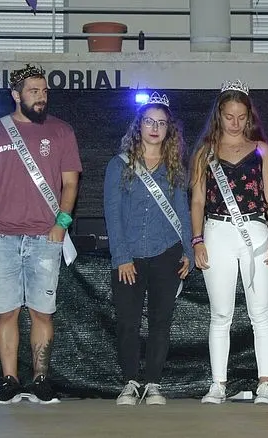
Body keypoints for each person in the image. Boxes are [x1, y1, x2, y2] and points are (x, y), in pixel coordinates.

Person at [0, 64, 82, 405]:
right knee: (6, 312)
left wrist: (60, 225)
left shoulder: (62, 131)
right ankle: (8, 379)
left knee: (41, 312)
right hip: (0, 236)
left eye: (44, 91)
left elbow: (71, 182)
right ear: (16, 95)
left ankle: (41, 379)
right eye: (34, 91)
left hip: (44, 237)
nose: (41, 97)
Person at [190, 80, 268, 406]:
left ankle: (266, 384)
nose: (235, 123)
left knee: (261, 313)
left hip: (255, 231)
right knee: (221, 314)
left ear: (249, 116)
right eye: (229, 116)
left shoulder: (261, 150)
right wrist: (198, 240)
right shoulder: (205, 151)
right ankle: (218, 383)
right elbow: (198, 200)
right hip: (217, 231)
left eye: (241, 116)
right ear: (220, 115)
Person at [104, 94, 193, 406]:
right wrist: (121, 257)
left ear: (169, 129)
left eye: (162, 123)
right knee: (127, 321)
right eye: (149, 121)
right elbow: (112, 214)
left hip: (166, 253)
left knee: (160, 321)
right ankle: (129, 382)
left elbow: (182, 213)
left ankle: (153, 383)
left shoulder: (175, 168)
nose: (155, 128)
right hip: (129, 255)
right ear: (138, 126)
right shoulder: (118, 165)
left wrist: (189, 252)